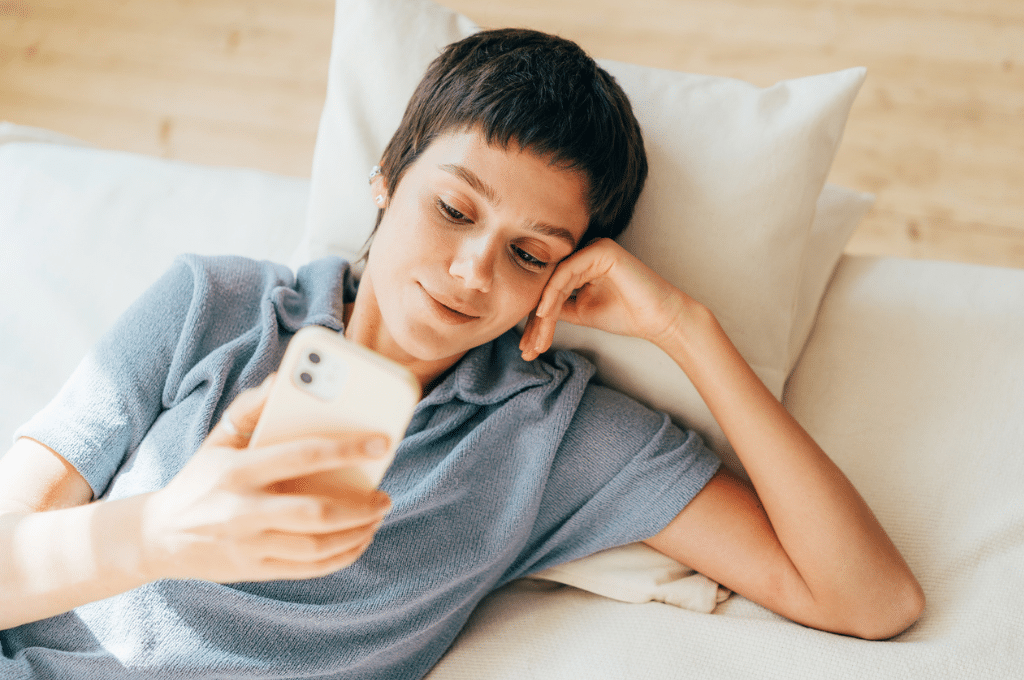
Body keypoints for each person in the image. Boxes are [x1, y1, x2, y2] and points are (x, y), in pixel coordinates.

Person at [0, 28, 924, 679]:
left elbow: (868, 600)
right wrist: (162, 533)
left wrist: (686, 327)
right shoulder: (215, 305)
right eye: (452, 209)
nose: (475, 271)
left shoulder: (551, 435)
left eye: (530, 254)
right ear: (385, 179)